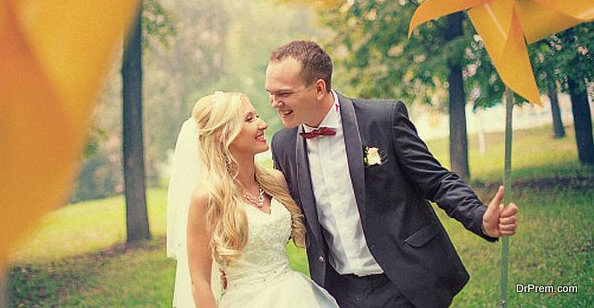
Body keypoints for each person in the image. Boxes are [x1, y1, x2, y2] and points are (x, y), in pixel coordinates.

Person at [266, 40, 519, 308]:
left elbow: (437, 181)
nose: (274, 103)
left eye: (283, 94)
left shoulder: (383, 119)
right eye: (270, 93)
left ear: (318, 88)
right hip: (339, 291)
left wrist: (479, 217)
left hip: (403, 281)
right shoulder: (283, 145)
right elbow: (286, 214)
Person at [166, 91, 340, 308]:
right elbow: (199, 282)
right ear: (222, 133)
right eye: (249, 119)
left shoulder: (275, 181)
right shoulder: (208, 198)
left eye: (256, 116)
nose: (263, 124)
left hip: (296, 296)